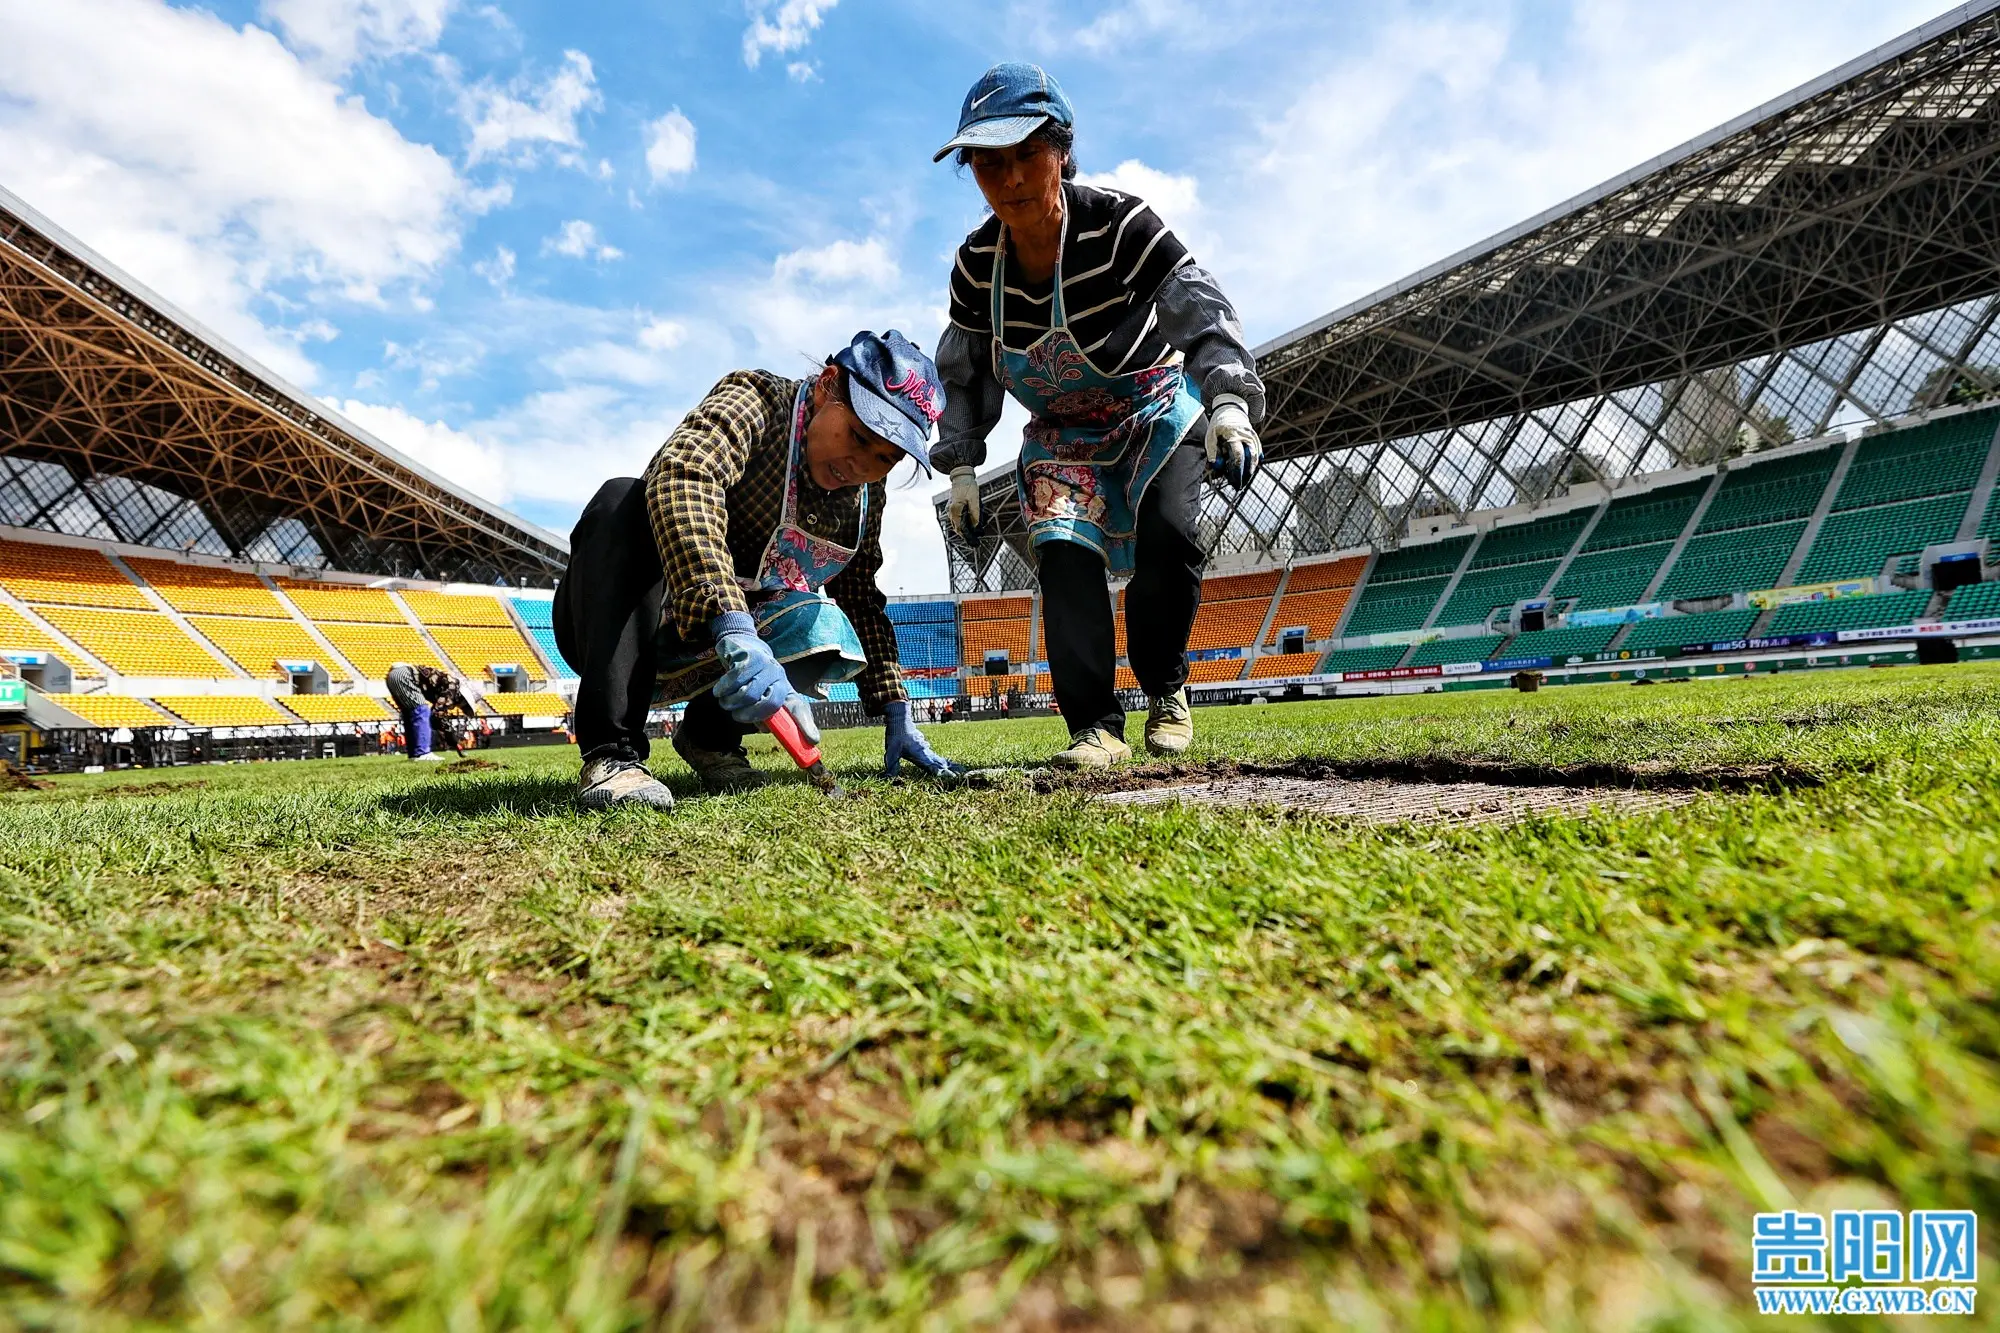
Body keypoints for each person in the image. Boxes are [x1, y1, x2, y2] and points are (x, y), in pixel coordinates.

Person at [932, 63, 1267, 769]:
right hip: (1060, 436)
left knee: (1171, 536)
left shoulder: (1120, 225)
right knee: (1062, 556)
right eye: (988, 164)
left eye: (1027, 154)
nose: (1011, 179)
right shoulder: (975, 267)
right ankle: (1095, 726)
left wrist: (1230, 402)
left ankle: (1165, 686)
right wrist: (961, 465)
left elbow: (1200, 310)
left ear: (1061, 150)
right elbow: (965, 371)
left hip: (1153, 410)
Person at [552, 330, 964, 810]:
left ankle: (710, 738)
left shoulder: (866, 496)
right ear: (827, 384)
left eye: (885, 459)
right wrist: (731, 622)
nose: (861, 466)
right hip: (627, 625)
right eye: (858, 436)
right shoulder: (758, 400)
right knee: (623, 499)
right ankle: (612, 755)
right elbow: (686, 475)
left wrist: (895, 705)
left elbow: (859, 595)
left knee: (824, 623)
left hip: (720, 650)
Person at [383, 662, 472, 762]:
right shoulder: (452, 688)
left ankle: (414, 754)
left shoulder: (445, 687)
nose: (458, 706)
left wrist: (450, 736)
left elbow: (438, 715)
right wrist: (453, 739)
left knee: (409, 714)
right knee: (422, 710)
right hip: (404, 675)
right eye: (464, 705)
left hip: (393, 676)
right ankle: (423, 753)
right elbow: (437, 714)